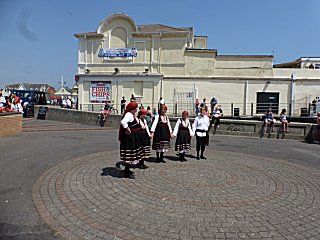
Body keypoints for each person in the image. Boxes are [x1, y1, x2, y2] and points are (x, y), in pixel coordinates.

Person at [118, 101, 144, 178]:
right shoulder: (129, 114)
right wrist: (128, 129)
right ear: (132, 108)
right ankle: (126, 172)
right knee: (130, 155)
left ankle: (127, 170)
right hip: (130, 138)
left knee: (132, 155)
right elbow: (123, 122)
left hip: (133, 138)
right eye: (135, 108)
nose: (136, 109)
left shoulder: (132, 115)